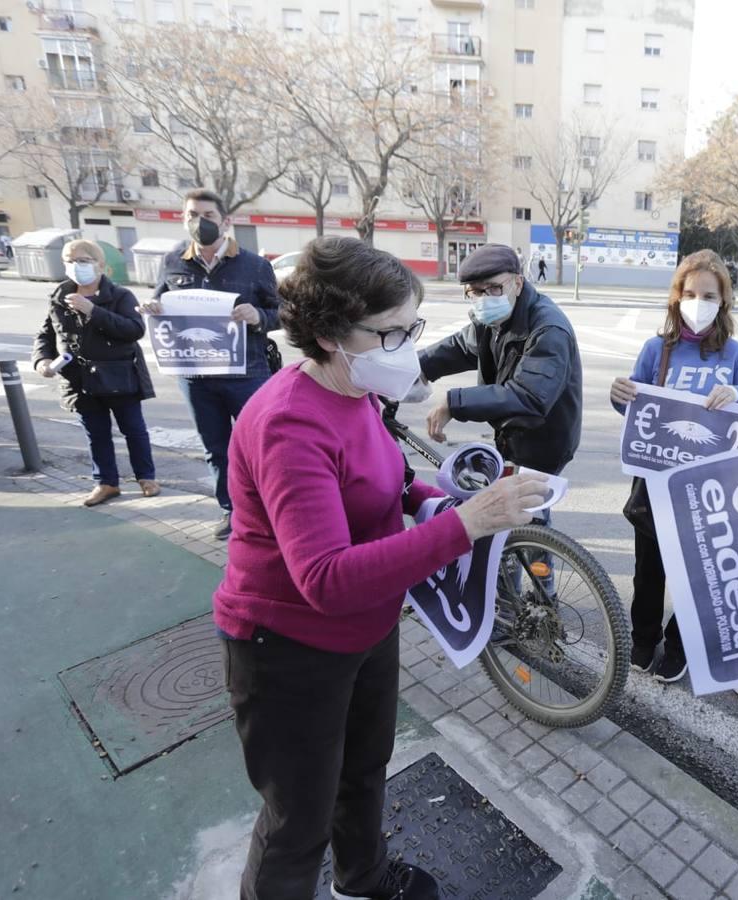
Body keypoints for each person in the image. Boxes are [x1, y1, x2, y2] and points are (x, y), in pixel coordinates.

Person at [214, 236, 549, 900]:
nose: (409, 347)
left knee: (365, 769)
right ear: (332, 334)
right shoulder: (287, 422)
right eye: (392, 332)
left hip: (367, 630)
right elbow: (326, 578)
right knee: (296, 821)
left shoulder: (361, 390)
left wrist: (448, 502)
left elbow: (389, 486)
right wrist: (465, 525)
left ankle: (362, 880)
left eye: (413, 327)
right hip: (287, 647)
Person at [609, 249, 738, 690]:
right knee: (648, 573)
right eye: (691, 293)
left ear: (723, 302)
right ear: (677, 296)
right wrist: (619, 393)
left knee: (695, 574)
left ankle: (678, 646)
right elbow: (632, 407)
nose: (698, 302)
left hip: (707, 491)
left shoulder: (736, 355)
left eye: (709, 295)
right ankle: (642, 639)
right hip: (656, 485)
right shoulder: (655, 349)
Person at [138, 188, 280, 540]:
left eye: (208, 216)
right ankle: (231, 510)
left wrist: (258, 315)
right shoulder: (173, 262)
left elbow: (283, 313)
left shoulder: (255, 265)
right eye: (191, 215)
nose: (199, 223)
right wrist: (152, 307)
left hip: (246, 372)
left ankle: (269, 510)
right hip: (196, 375)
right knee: (215, 447)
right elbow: (159, 301)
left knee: (260, 445)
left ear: (225, 221)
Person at [420, 243, 583, 478]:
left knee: (527, 510)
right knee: (512, 508)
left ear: (517, 283)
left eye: (494, 288)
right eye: (475, 291)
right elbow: (462, 346)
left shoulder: (549, 329)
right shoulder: (498, 317)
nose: (484, 299)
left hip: (542, 444)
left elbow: (528, 396)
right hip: (513, 435)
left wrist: (453, 402)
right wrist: (417, 366)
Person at [32, 239, 158, 507]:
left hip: (118, 376)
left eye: (82, 261)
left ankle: (146, 477)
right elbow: (45, 334)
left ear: (100, 265)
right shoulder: (59, 297)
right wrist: (42, 360)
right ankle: (106, 483)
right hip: (78, 380)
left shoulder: (120, 295)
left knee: (133, 430)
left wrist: (93, 310)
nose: (75, 266)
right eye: (69, 260)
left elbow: (133, 330)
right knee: (96, 434)